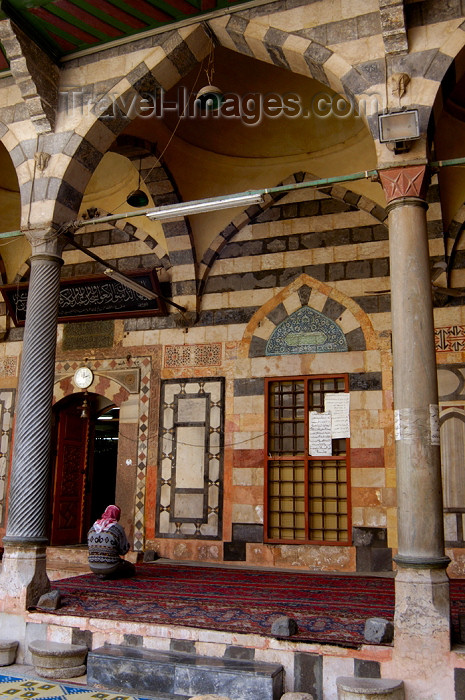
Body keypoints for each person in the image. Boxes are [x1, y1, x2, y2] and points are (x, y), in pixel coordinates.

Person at [87, 505, 136, 579]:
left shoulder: (92, 528)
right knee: (130, 568)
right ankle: (109, 572)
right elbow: (123, 551)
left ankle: (102, 572)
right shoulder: (117, 528)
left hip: (92, 566)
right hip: (111, 566)